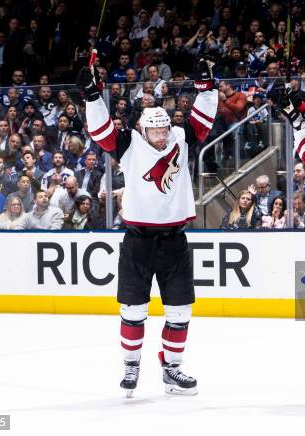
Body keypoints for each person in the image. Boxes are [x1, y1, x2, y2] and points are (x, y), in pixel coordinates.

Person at [77, 57, 215, 398]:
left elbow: (202, 122)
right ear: (143, 129)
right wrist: (93, 96)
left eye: (165, 129)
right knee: (133, 310)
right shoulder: (130, 144)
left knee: (180, 310)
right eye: (156, 130)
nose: (162, 135)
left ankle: (172, 370)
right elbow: (101, 132)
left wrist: (206, 89)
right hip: (138, 240)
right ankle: (131, 365)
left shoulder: (180, 139)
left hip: (175, 241)